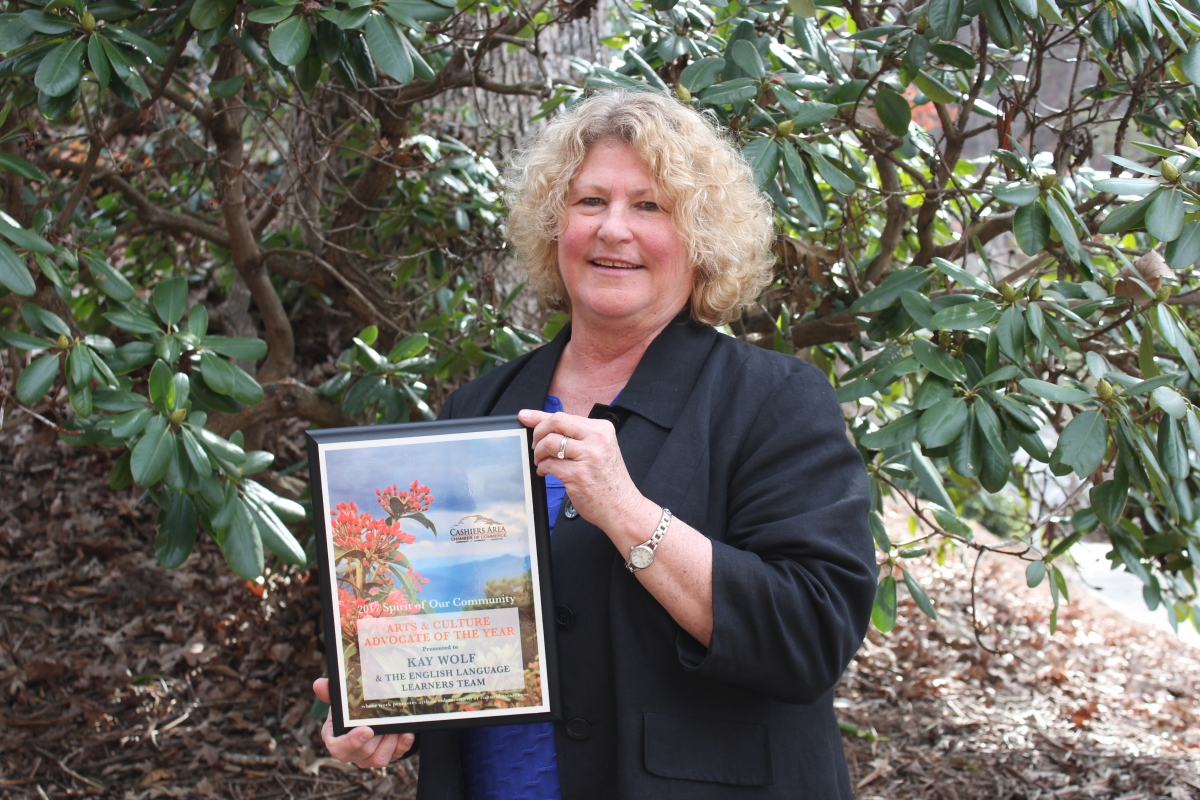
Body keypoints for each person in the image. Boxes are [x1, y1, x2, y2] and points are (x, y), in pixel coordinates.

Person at [313, 88, 876, 799]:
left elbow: (812, 635)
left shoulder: (774, 403)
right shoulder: (480, 407)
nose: (614, 229)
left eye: (650, 206)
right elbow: (447, 629)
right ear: (555, 227)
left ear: (701, 239)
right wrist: (385, 710)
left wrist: (627, 512)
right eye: (589, 203)